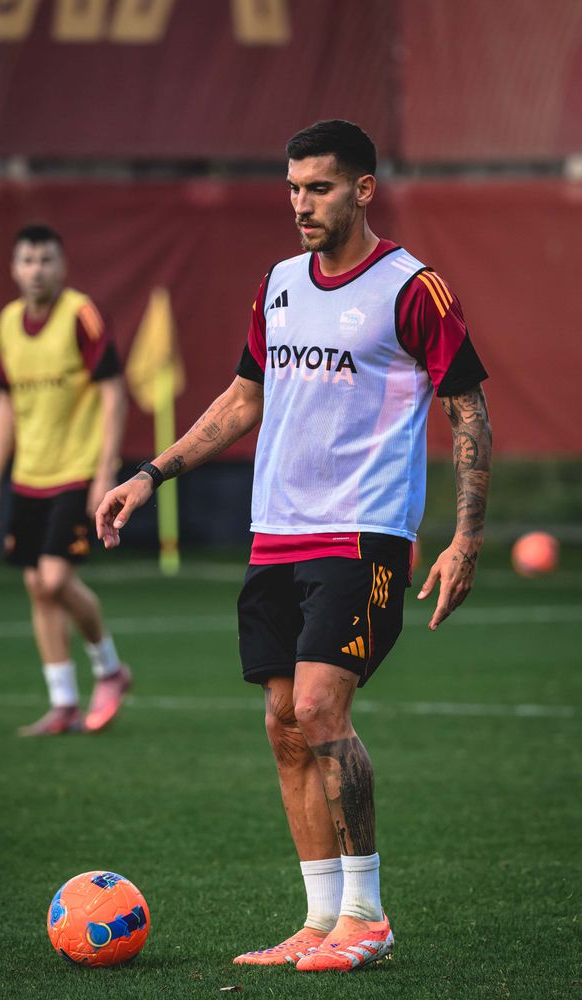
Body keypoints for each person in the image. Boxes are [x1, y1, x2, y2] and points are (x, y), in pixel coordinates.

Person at [96, 120, 492, 973]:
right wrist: (149, 475)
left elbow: (468, 412)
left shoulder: (412, 288)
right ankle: (318, 923)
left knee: (319, 708)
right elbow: (243, 401)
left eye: (317, 188)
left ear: (361, 189)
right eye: (292, 188)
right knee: (281, 723)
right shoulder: (277, 284)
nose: (300, 204)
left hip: (364, 531)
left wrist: (464, 538)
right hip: (275, 531)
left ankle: (369, 919)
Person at [0, 224, 131, 737]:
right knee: (37, 587)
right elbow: (4, 403)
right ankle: (63, 702)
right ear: (13, 268)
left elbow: (112, 392)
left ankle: (109, 668)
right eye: (27, 260)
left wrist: (104, 471)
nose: (36, 269)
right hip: (28, 476)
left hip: (75, 471)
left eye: (45, 260)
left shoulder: (80, 315)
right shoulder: (6, 324)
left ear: (62, 266)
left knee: (55, 577)